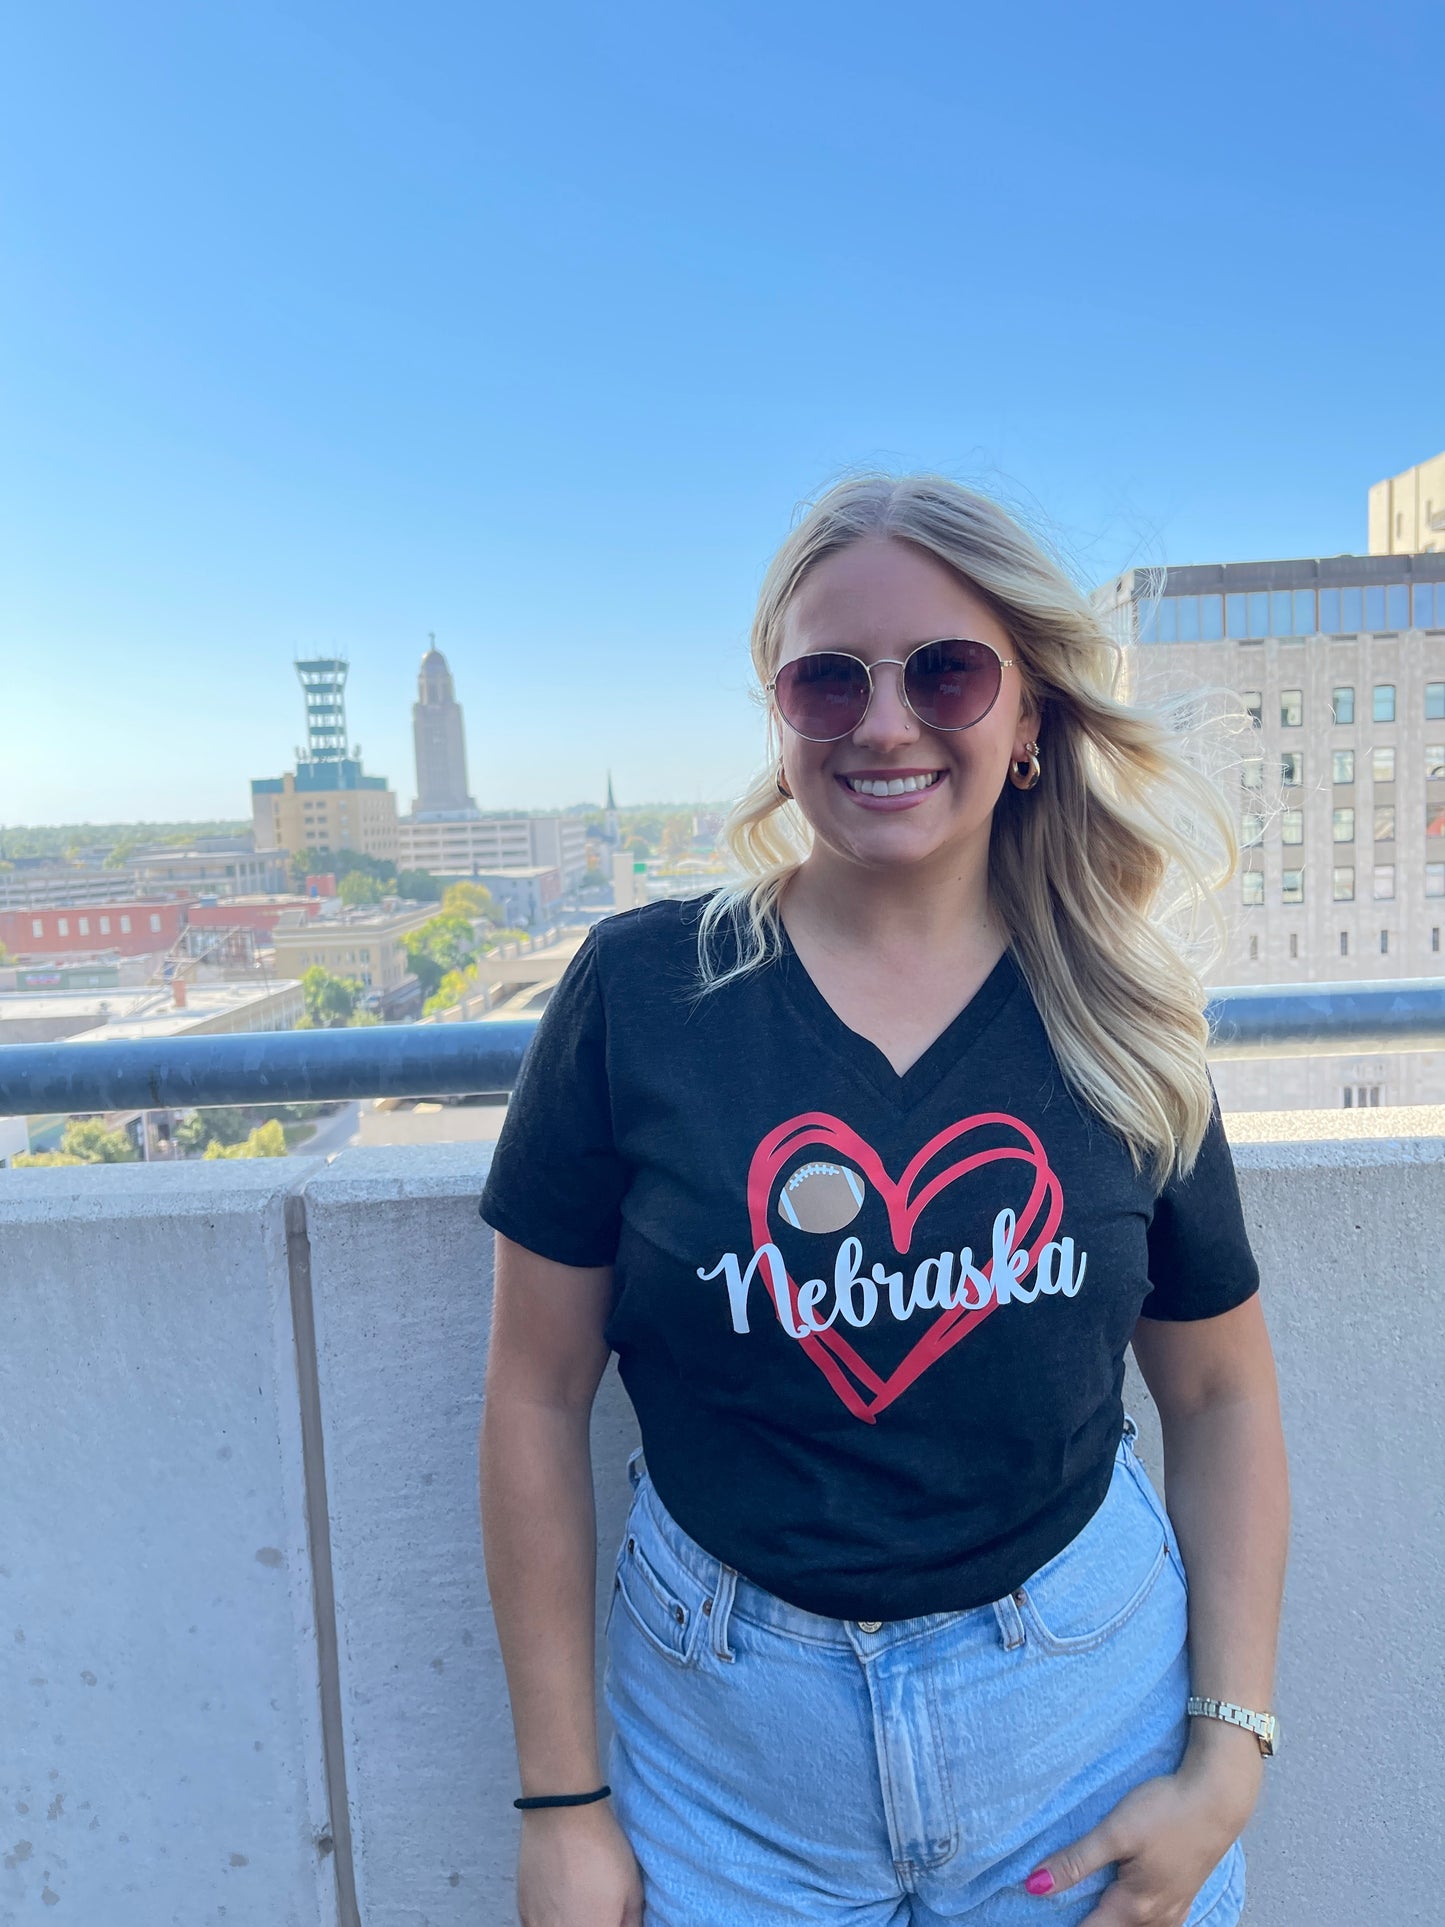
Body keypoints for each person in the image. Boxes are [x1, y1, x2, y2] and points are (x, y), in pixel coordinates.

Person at [479, 474, 1289, 1927]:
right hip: (724, 1768)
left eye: (947, 671)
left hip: (1082, 1741)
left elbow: (1222, 1395)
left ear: (1029, 715)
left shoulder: (1118, 1019)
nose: (885, 720)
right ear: (779, 717)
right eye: (826, 679)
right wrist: (562, 1804)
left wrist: (1227, 1751)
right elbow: (533, 1396)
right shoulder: (644, 994)